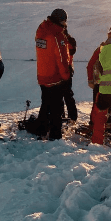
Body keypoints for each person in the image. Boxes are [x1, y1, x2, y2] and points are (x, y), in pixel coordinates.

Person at [35, 8, 71, 140]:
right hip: (54, 77)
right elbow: (61, 59)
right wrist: (66, 75)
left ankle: (41, 130)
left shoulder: (41, 30)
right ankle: (55, 135)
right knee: (56, 107)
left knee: (45, 104)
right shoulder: (57, 35)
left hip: (42, 75)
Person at [62, 28, 78, 122]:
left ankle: (71, 117)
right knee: (67, 95)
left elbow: (71, 51)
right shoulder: (70, 40)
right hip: (67, 70)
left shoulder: (69, 40)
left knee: (66, 95)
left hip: (66, 70)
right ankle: (71, 117)